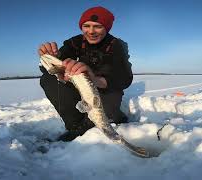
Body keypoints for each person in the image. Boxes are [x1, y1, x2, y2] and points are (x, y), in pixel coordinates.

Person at [38, 6, 133, 142]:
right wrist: (52, 57)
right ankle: (75, 126)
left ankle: (113, 118)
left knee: (107, 113)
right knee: (48, 79)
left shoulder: (117, 45)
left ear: (106, 28)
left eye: (98, 26)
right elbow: (53, 67)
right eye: (86, 26)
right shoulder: (75, 42)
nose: (91, 31)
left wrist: (94, 79)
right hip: (80, 85)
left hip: (106, 87)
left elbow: (124, 78)